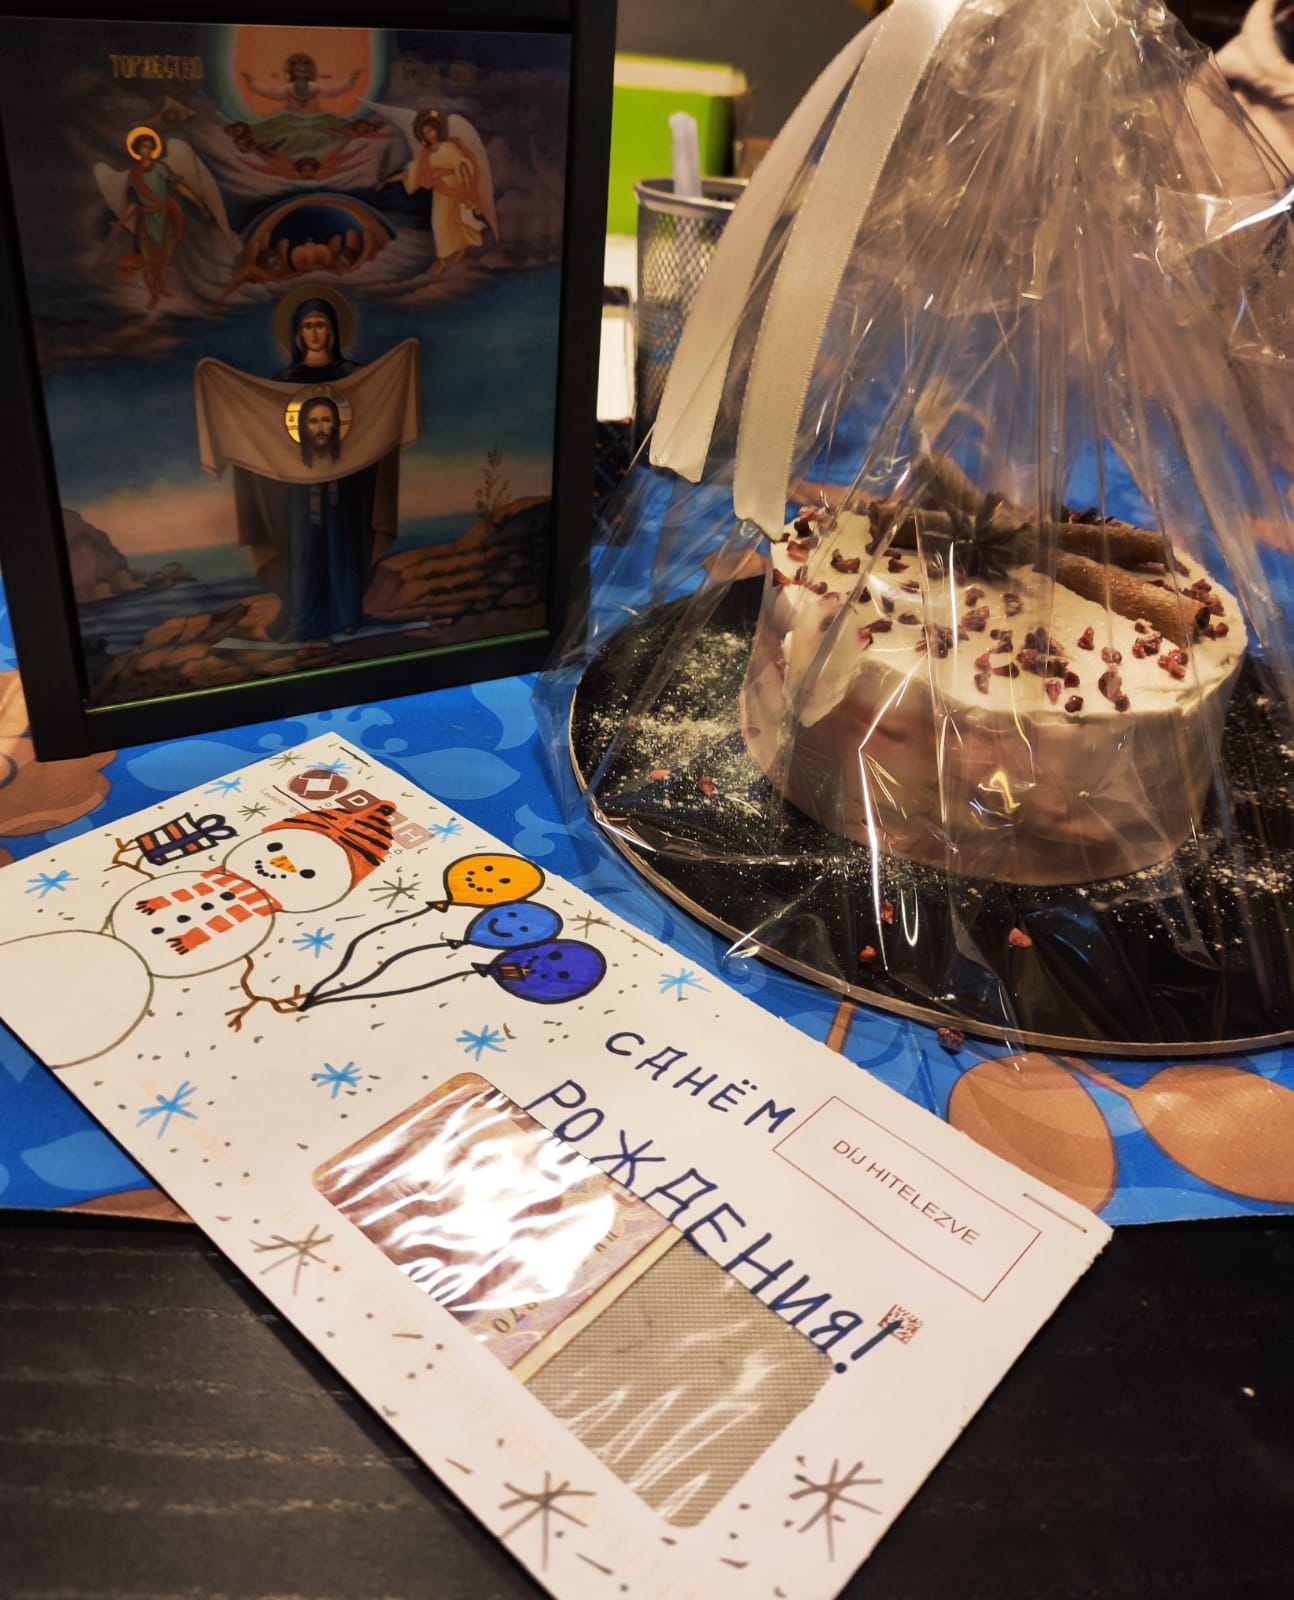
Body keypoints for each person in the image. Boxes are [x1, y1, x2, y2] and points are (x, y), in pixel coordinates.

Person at [379, 109, 489, 275]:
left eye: (430, 130)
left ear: (437, 129)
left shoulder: (450, 148)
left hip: (456, 192)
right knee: (439, 226)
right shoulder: (426, 155)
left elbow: (463, 166)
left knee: (458, 222)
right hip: (440, 195)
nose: (428, 135)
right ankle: (442, 260)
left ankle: (458, 251)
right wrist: (386, 181)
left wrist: (467, 190)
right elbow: (411, 173)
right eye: (425, 133)